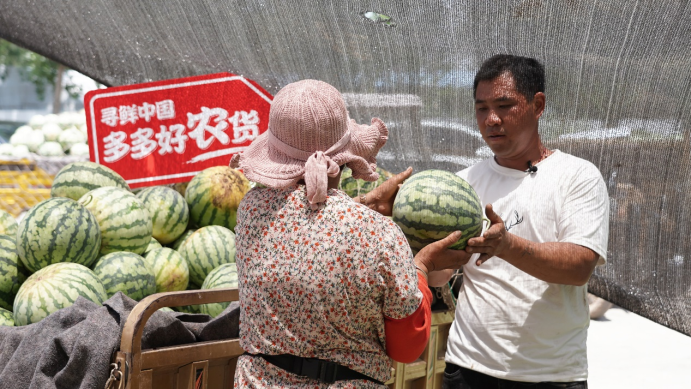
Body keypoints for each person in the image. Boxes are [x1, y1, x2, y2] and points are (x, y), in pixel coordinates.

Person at [229, 79, 470, 388]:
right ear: (345, 155)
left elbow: (305, 230)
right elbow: (407, 349)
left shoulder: (251, 211)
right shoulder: (380, 235)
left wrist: (364, 204)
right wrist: (420, 268)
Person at [430, 54, 610, 388]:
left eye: (504, 105)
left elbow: (579, 267)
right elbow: (439, 274)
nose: (491, 119)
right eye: (482, 108)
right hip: (467, 369)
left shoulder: (577, 177)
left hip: (550, 375)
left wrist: (507, 246)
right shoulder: (462, 185)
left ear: (537, 104)